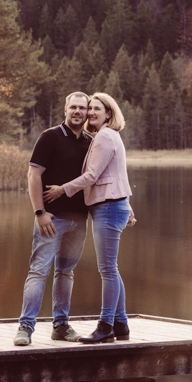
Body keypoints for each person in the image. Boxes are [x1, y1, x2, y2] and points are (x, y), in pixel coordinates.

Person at [44, 90, 135, 345]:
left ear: (108, 113)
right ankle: (121, 323)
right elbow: (118, 175)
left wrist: (62, 189)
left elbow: (92, 176)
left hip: (107, 208)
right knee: (112, 269)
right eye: (90, 108)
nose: (91, 113)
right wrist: (127, 205)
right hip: (112, 206)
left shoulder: (105, 136)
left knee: (107, 269)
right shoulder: (109, 136)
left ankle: (106, 325)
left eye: (97, 109)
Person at [14, 92, 91, 346]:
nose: (78, 111)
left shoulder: (90, 142)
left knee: (66, 272)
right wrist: (39, 212)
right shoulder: (50, 137)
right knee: (38, 271)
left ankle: (60, 325)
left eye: (82, 107)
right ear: (65, 110)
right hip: (51, 219)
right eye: (73, 107)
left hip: (79, 221)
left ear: (87, 111)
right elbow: (33, 175)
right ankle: (25, 327)